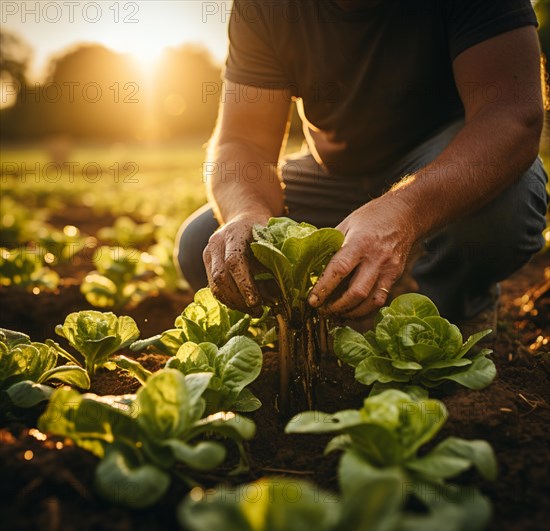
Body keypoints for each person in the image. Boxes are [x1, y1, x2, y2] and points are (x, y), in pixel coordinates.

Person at [175, 0, 548, 330]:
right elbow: (243, 140)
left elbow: (511, 116)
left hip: (441, 164)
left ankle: (453, 315)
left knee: (502, 212)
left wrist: (401, 213)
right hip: (335, 174)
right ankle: (312, 325)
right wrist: (248, 212)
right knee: (207, 246)